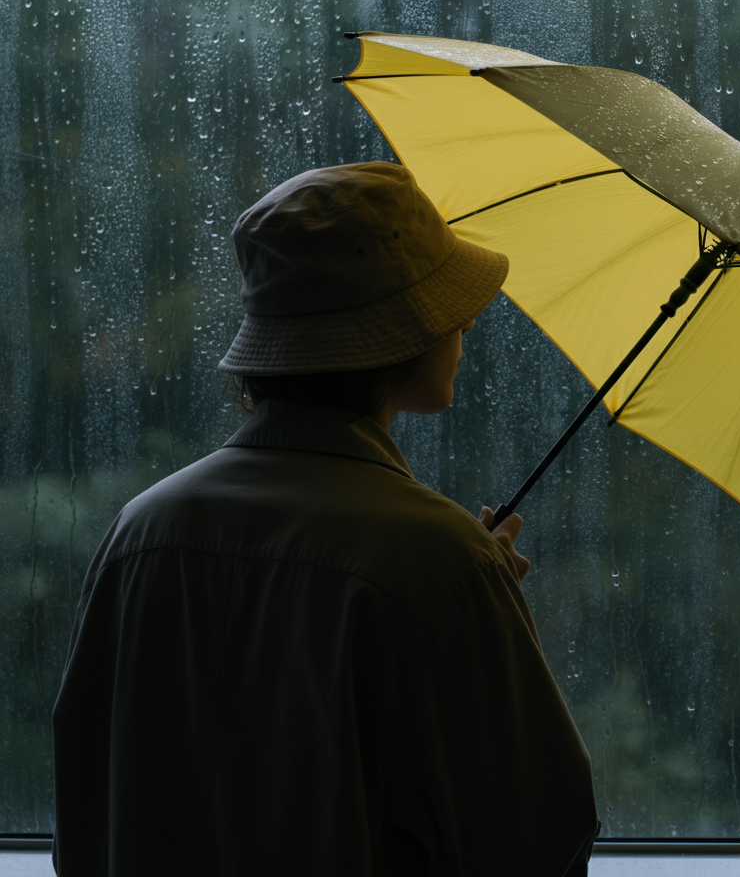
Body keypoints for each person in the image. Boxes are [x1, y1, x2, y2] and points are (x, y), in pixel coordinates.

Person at [51, 163, 599, 876]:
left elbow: (88, 802)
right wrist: (471, 600)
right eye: (445, 307)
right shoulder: (439, 560)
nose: (466, 321)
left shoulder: (141, 533)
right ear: (396, 335)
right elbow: (534, 841)